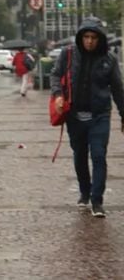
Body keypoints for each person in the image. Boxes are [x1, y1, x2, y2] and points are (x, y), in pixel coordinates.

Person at [51, 17, 124, 218]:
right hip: (74, 115)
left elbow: (118, 89)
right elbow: (55, 75)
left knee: (99, 155)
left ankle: (97, 200)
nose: (90, 41)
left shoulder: (109, 59)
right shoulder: (67, 54)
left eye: (94, 37)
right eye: (86, 37)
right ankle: (85, 190)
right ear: (80, 37)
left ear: (100, 39)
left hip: (100, 115)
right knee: (80, 155)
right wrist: (58, 95)